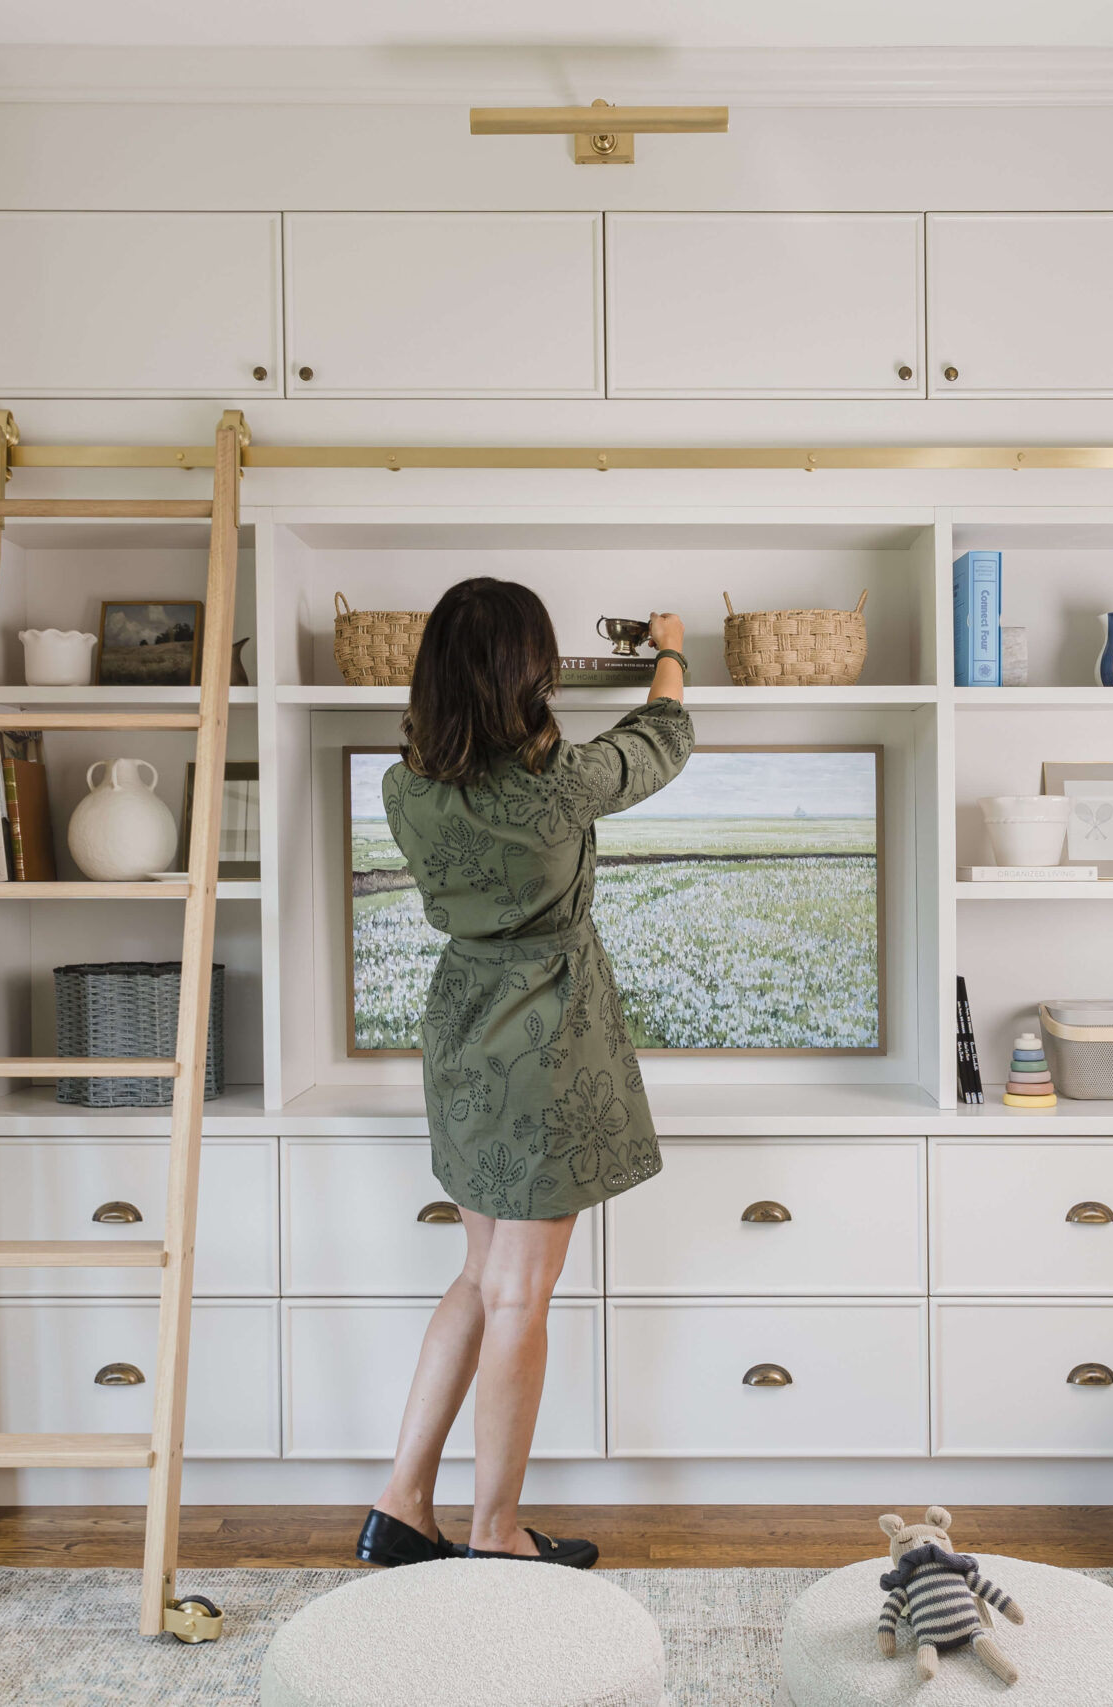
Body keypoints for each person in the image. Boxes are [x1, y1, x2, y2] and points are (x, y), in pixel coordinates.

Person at [356, 580, 691, 1568]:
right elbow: (659, 741)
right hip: (546, 1035)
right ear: (528, 674)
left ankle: (402, 1503)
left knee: (479, 1275)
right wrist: (669, 652)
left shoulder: (402, 787)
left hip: (462, 1029)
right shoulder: (559, 785)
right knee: (519, 1296)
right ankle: (497, 1532)